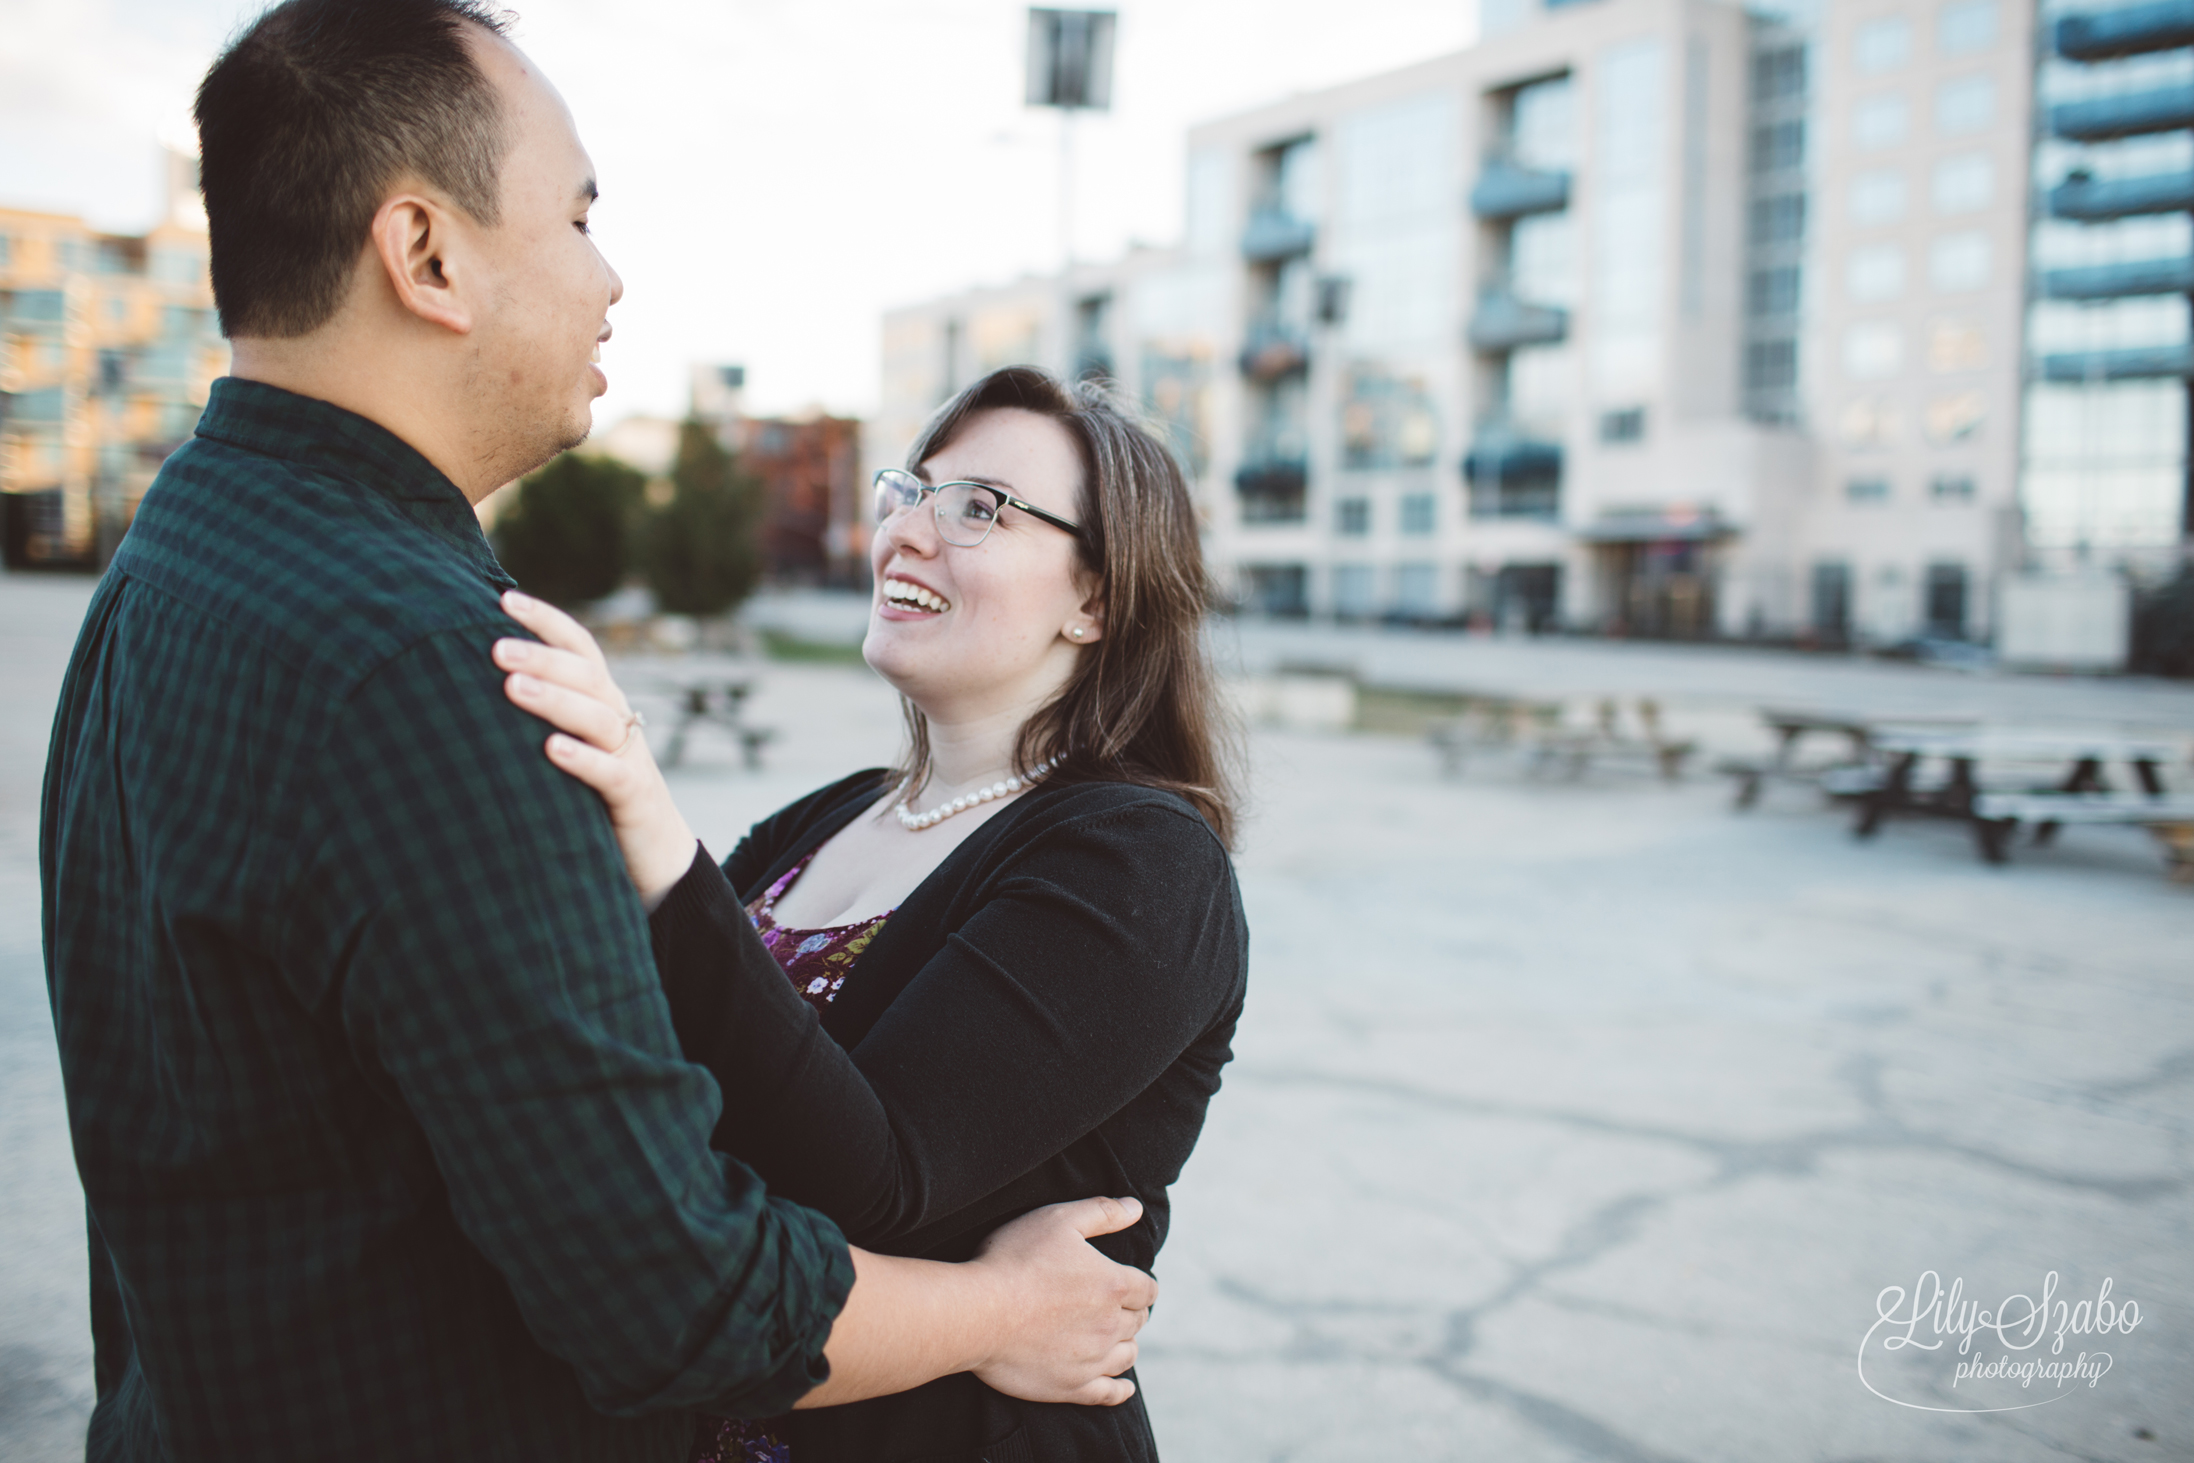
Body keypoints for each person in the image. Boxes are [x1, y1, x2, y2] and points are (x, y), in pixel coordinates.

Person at [40, 6, 1156, 1461]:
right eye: (577, 215)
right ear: (427, 256)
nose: (611, 274)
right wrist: (1000, 1309)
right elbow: (673, 1297)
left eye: (987, 506)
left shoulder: (168, 563)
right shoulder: (430, 664)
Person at [490, 364, 1250, 1462]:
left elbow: (871, 1180)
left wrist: (657, 841)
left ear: (1096, 597)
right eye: (911, 488)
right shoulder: (825, 816)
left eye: (980, 507)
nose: (907, 531)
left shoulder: (1136, 859)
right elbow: (632, 1095)